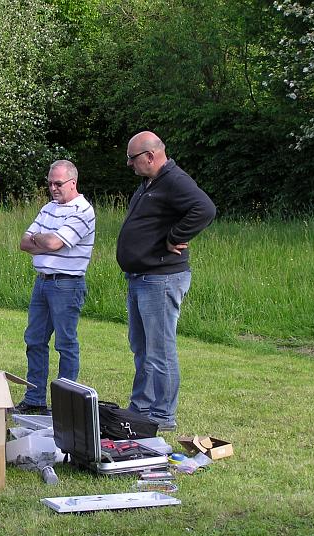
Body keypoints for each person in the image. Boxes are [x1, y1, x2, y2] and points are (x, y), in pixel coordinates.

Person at [117, 131, 216, 431]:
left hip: (161, 279)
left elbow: (205, 209)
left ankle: (162, 415)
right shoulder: (149, 182)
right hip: (140, 277)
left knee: (160, 350)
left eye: (132, 158)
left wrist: (176, 236)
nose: (129, 164)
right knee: (142, 348)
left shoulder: (174, 180)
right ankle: (141, 407)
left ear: (150, 156)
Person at [14, 160, 96, 415]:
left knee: (65, 343)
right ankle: (35, 399)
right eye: (50, 183)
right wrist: (46, 241)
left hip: (67, 284)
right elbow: (24, 243)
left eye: (58, 183)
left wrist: (41, 239)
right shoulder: (48, 207)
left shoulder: (83, 210)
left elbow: (52, 243)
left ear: (73, 182)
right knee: (34, 340)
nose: (53, 188)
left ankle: (65, 404)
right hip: (42, 281)